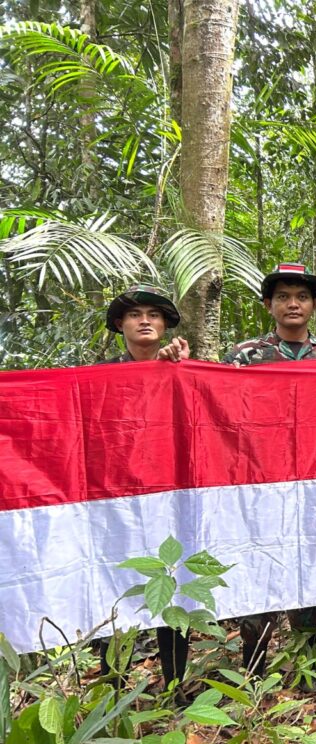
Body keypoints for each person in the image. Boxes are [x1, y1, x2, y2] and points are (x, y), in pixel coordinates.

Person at [223, 263, 316, 675]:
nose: (293, 304)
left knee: (312, 568)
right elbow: (217, 408)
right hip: (260, 486)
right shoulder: (244, 356)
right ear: (268, 304)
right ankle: (253, 673)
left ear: (315, 306)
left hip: (312, 485)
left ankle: (307, 663)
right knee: (260, 571)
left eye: (302, 297)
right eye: (284, 297)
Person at [96, 285, 191, 692]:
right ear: (121, 325)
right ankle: (113, 692)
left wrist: (180, 371)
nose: (145, 321)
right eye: (135, 315)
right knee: (116, 586)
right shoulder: (100, 377)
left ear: (166, 325)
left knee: (174, 586)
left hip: (173, 499)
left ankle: (175, 688)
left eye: (154, 314)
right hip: (117, 502)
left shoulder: (184, 372)